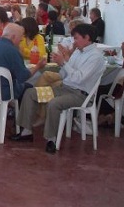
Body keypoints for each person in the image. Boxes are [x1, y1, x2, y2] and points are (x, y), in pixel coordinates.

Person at [12, 24, 106, 154]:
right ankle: (26, 132)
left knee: (54, 103)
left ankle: (52, 139)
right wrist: (60, 62)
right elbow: (64, 75)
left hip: (80, 95)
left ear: (87, 38)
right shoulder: (79, 52)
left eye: (76, 38)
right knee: (30, 92)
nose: (74, 41)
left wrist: (63, 63)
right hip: (64, 88)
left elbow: (79, 78)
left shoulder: (96, 57)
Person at [0, 23, 46, 129]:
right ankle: (19, 125)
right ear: (13, 37)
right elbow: (23, 76)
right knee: (27, 88)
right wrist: (38, 66)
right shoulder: (13, 51)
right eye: (20, 40)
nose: (20, 42)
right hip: (3, 91)